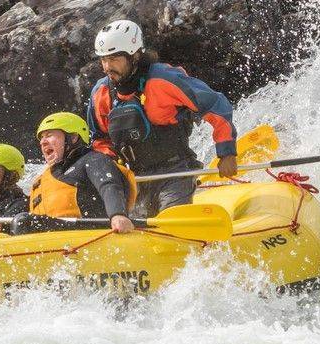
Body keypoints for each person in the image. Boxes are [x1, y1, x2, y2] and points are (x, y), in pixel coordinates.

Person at [86, 19, 239, 218]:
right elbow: (99, 139)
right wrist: (111, 169)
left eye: (114, 59)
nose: (107, 67)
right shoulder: (101, 92)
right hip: (136, 178)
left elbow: (216, 105)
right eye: (103, 60)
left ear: (134, 55)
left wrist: (226, 153)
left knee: (170, 221)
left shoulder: (164, 79)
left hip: (176, 171)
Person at [17, 112, 137, 233]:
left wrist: (118, 214)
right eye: (42, 138)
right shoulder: (44, 177)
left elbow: (109, 185)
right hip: (53, 237)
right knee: (21, 221)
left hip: (88, 234)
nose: (42, 142)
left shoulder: (93, 159)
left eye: (49, 135)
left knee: (24, 222)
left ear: (73, 137)